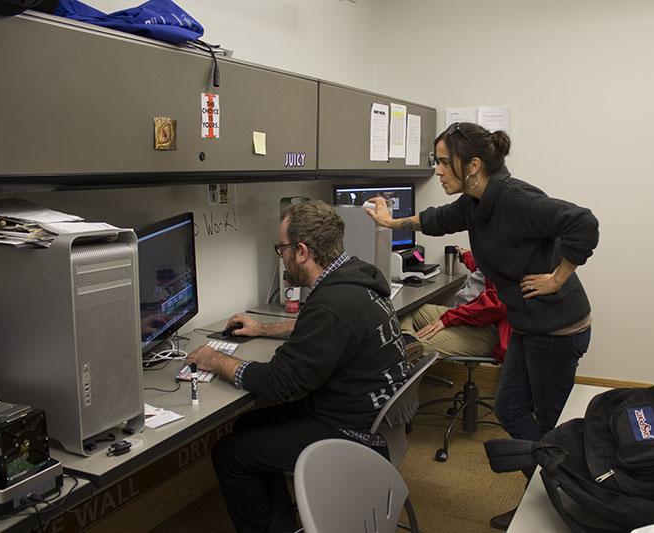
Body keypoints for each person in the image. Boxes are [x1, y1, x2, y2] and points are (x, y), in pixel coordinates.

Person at [366, 122, 599, 530]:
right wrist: (392, 223)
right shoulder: (476, 201)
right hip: (529, 326)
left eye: (442, 163)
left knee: (546, 422)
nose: (437, 171)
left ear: (472, 164)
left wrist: (557, 277)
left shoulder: (515, 199)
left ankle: (567, 501)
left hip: (557, 329)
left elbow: (582, 223)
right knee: (510, 409)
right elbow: (437, 219)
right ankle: (553, 491)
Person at [186, 200, 410, 533]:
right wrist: (263, 329)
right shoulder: (355, 278)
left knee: (230, 453)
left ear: (301, 251)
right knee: (247, 425)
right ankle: (281, 523)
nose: (282, 255)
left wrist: (215, 360)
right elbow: (327, 330)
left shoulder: (332, 304)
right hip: (375, 419)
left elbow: (278, 384)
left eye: (282, 248)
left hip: (352, 434)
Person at [400, 247, 511, 362]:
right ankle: (409, 340)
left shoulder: (513, 250)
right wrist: (467, 257)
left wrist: (448, 319)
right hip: (467, 316)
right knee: (408, 311)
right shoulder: (495, 247)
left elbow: (496, 304)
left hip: (489, 328)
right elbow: (487, 270)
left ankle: (407, 352)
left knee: (413, 352)